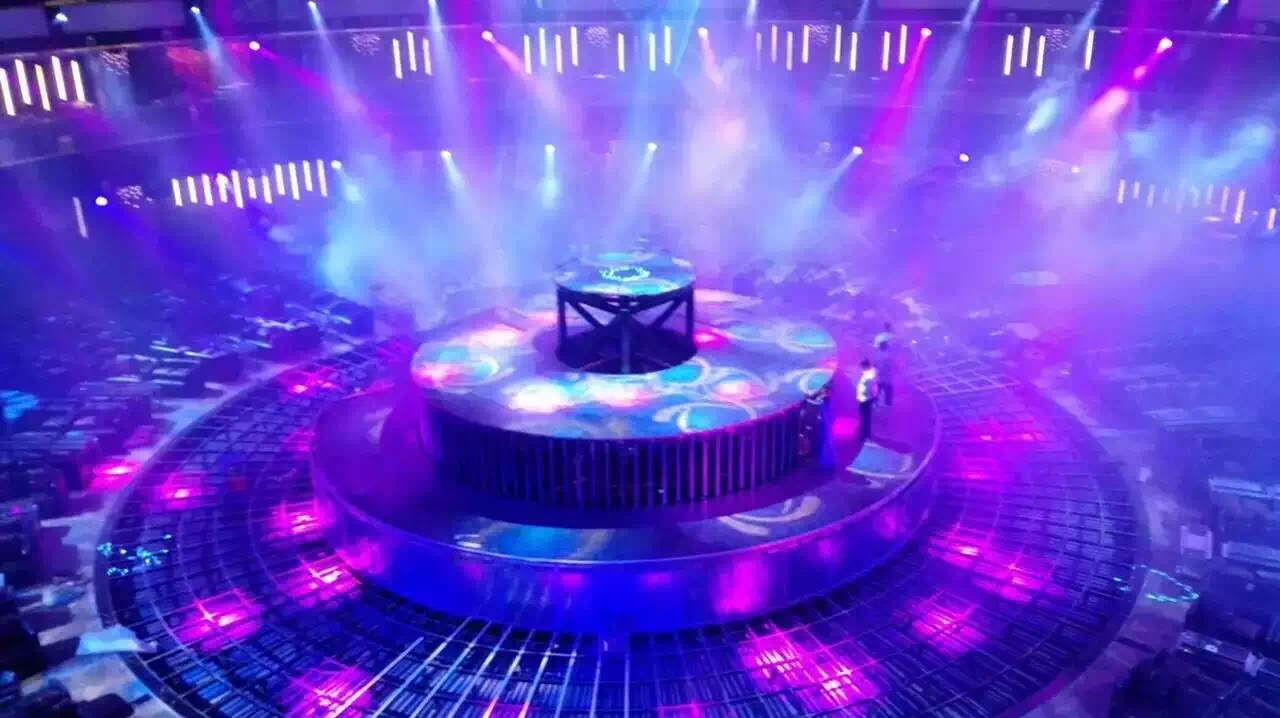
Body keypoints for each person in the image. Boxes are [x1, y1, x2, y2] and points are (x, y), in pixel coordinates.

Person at [856, 358, 878, 441]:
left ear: (865, 366)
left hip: (866, 399)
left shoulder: (869, 375)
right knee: (864, 416)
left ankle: (866, 433)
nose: (861, 368)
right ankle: (864, 431)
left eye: (862, 366)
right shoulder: (866, 374)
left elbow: (871, 388)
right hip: (864, 398)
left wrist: (873, 397)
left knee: (866, 416)